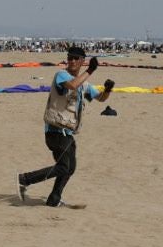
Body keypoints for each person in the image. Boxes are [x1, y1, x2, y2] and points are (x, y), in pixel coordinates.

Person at [18, 46, 114, 207]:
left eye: (76, 58)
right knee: (63, 167)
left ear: (82, 61)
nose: (72, 61)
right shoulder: (61, 75)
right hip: (54, 132)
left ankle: (54, 199)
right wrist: (90, 70)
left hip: (67, 133)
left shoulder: (85, 85)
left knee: (70, 168)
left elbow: (101, 99)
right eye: (70, 58)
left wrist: (108, 89)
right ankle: (24, 179)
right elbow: (72, 85)